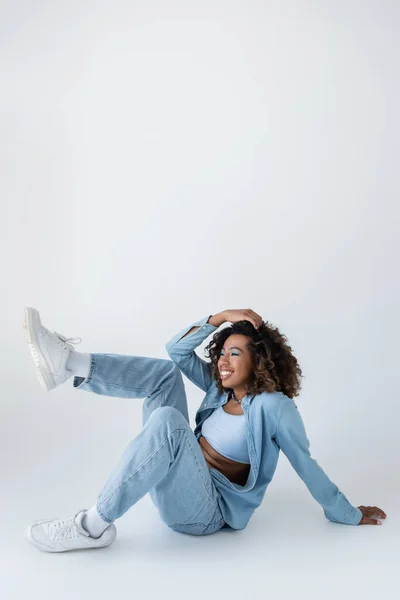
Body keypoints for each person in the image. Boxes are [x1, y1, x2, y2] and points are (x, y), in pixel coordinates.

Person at [23, 307, 387, 552]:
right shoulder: (219, 388)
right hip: (175, 477)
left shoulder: (274, 407)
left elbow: (306, 464)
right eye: (222, 352)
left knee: (168, 421)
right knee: (165, 375)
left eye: (235, 354)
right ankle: (68, 363)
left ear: (258, 360)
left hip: (204, 512)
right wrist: (220, 317)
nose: (223, 362)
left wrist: (346, 512)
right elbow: (176, 351)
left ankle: (91, 526)